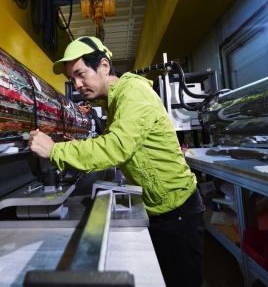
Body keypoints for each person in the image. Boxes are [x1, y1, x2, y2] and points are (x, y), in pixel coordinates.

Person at [28, 36, 205, 287]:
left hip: (178, 213)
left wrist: (56, 150)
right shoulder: (114, 102)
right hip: (161, 211)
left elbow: (116, 147)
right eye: (72, 80)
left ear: (103, 66)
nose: (77, 85)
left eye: (80, 74)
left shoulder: (132, 92)